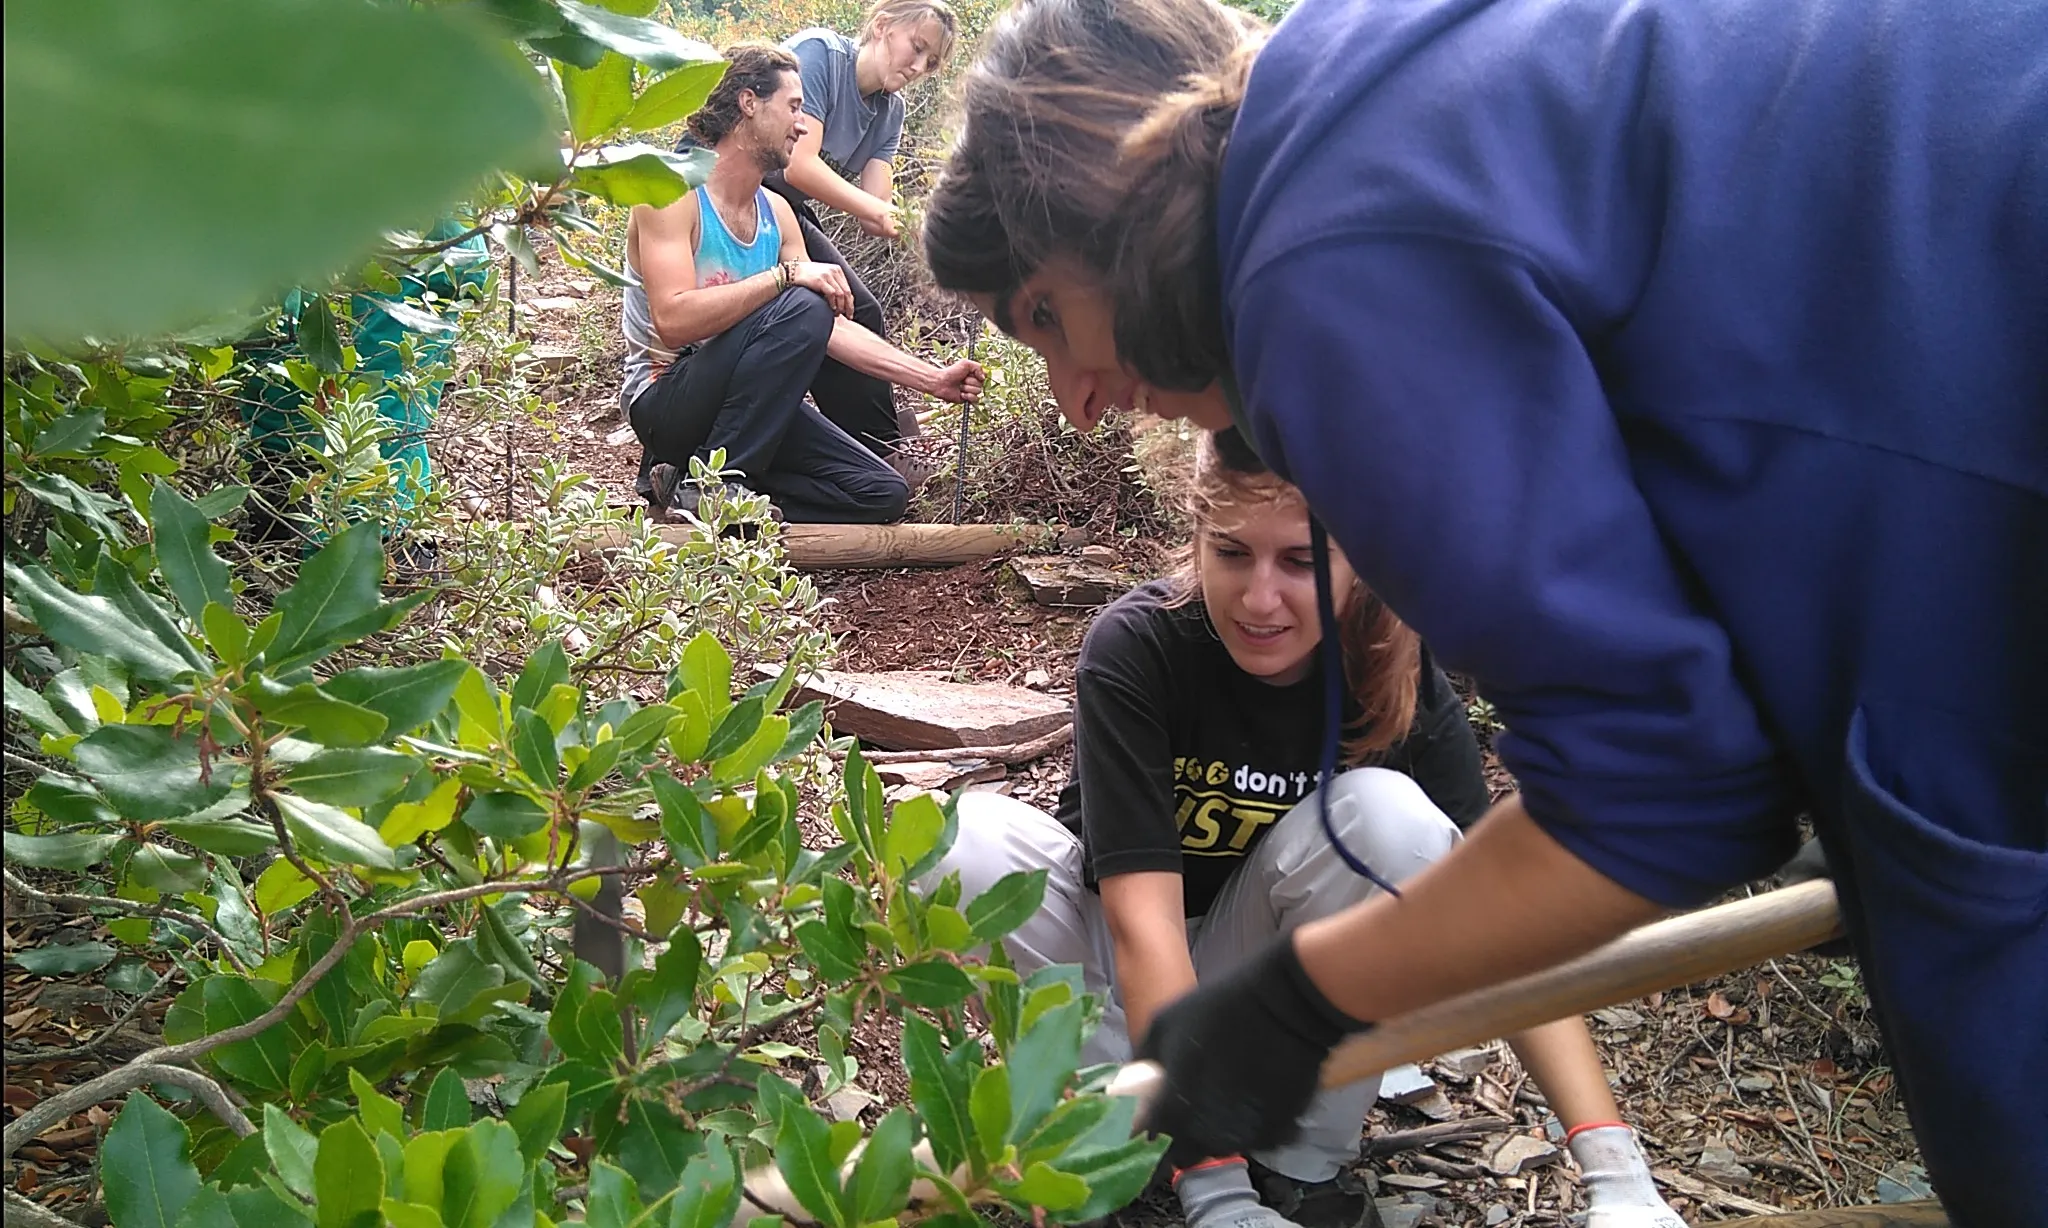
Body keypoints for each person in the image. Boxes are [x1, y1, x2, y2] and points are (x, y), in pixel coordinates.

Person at [917, 0, 2048, 1223]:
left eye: (1043, 316)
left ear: (1105, 189)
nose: (1075, 401)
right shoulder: (1365, 78)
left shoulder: (1313, 259)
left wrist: (1293, 1004)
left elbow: (1663, 795)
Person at [932, 432, 1685, 1228]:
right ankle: (1116, 1128)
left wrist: (1614, 1171)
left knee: (1389, 821)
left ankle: (1298, 1163)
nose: (1261, 599)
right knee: (961, 836)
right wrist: (1213, 1192)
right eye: (1232, 553)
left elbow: (1508, 924)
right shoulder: (1140, 647)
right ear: (1196, 539)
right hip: (1122, 975)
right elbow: (1140, 924)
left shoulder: (1395, 678)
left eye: (1300, 562)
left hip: (1264, 1000)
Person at [623, 43, 981, 523]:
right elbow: (672, 320)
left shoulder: (778, 213)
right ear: (748, 103)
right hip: (665, 401)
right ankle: (718, 486)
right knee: (803, 299)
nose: (802, 124)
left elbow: (828, 326)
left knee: (881, 494)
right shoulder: (671, 193)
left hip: (741, 410)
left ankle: (695, 486)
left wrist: (932, 379)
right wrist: (786, 277)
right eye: (794, 107)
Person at [768, 0, 958, 472]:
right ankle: (881, 448)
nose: (918, 67)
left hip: (785, 207)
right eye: (916, 48)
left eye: (930, 63)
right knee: (835, 307)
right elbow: (799, 164)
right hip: (743, 192)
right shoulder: (819, 57)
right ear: (881, 26)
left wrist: (935, 233)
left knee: (859, 306)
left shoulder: (889, 109)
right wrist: (879, 210)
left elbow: (879, 212)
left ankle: (871, 445)